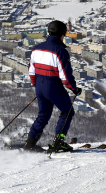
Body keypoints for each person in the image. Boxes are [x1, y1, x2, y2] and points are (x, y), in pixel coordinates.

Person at [24, 20, 81, 152]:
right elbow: (65, 76)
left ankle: (29, 144)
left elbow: (31, 71)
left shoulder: (36, 48)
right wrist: (74, 89)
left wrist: (37, 86)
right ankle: (58, 142)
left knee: (43, 115)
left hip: (39, 85)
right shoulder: (60, 51)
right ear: (62, 34)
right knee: (67, 112)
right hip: (53, 85)